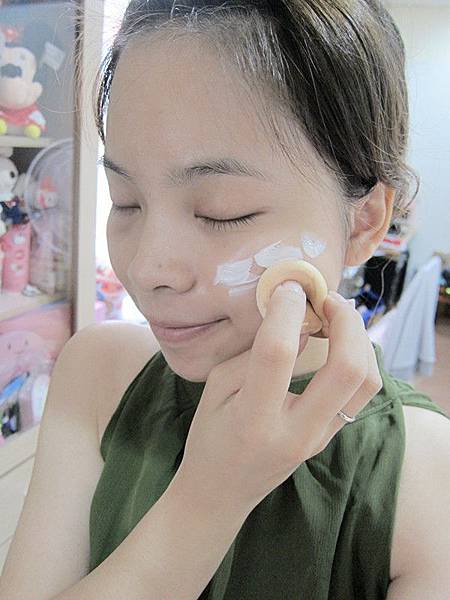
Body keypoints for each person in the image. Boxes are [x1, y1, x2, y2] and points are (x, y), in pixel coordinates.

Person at [1, 1, 450, 599]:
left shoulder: (425, 476)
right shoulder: (96, 373)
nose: (146, 269)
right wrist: (207, 500)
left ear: (365, 221)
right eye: (125, 200)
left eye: (222, 211)